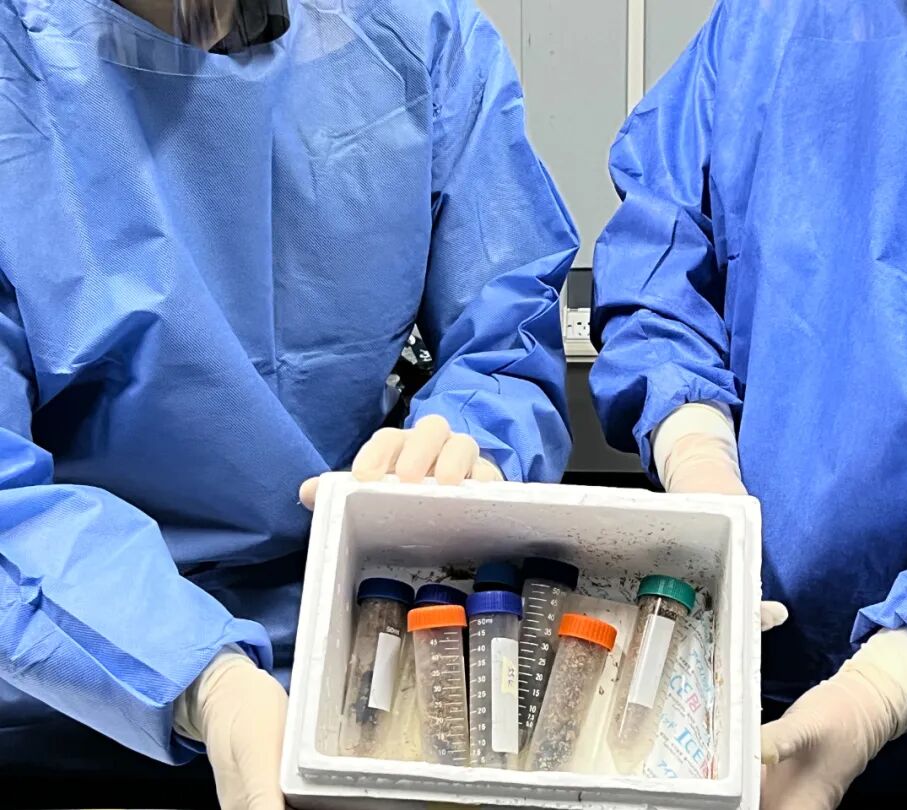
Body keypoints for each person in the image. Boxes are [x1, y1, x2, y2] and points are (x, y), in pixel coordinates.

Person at [0, 1, 576, 807]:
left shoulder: (417, 38)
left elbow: (506, 325)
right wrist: (206, 681)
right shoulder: (20, 76)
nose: (211, 28)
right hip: (73, 680)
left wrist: (467, 441)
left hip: (359, 655)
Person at [589, 2, 907, 807]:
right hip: (747, 674)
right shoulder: (758, 25)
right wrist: (697, 451)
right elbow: (661, 254)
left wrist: (884, 687)